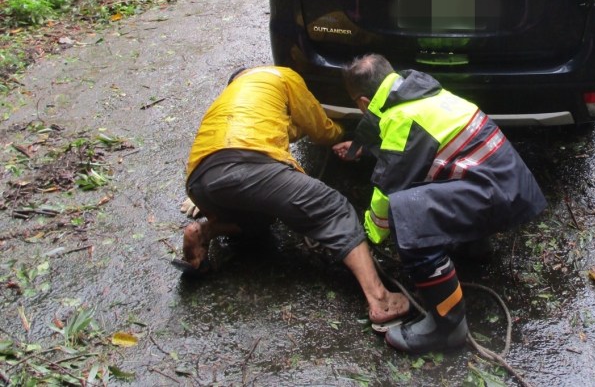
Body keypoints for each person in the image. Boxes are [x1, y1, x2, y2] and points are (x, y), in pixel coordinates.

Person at [334, 54, 547, 354]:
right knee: (433, 181)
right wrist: (361, 149)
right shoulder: (418, 90)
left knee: (407, 213)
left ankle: (447, 326)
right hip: (507, 185)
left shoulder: (403, 118)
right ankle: (474, 246)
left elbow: (387, 189)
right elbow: (403, 143)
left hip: (496, 196)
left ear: (364, 102)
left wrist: (370, 234)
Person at [174, 65, 409, 326]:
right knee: (334, 208)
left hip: (200, 181)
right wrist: (343, 134)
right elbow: (319, 127)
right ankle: (380, 298)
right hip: (247, 163)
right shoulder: (282, 76)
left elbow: (284, 129)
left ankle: (205, 231)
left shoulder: (225, 100)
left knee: (261, 220)